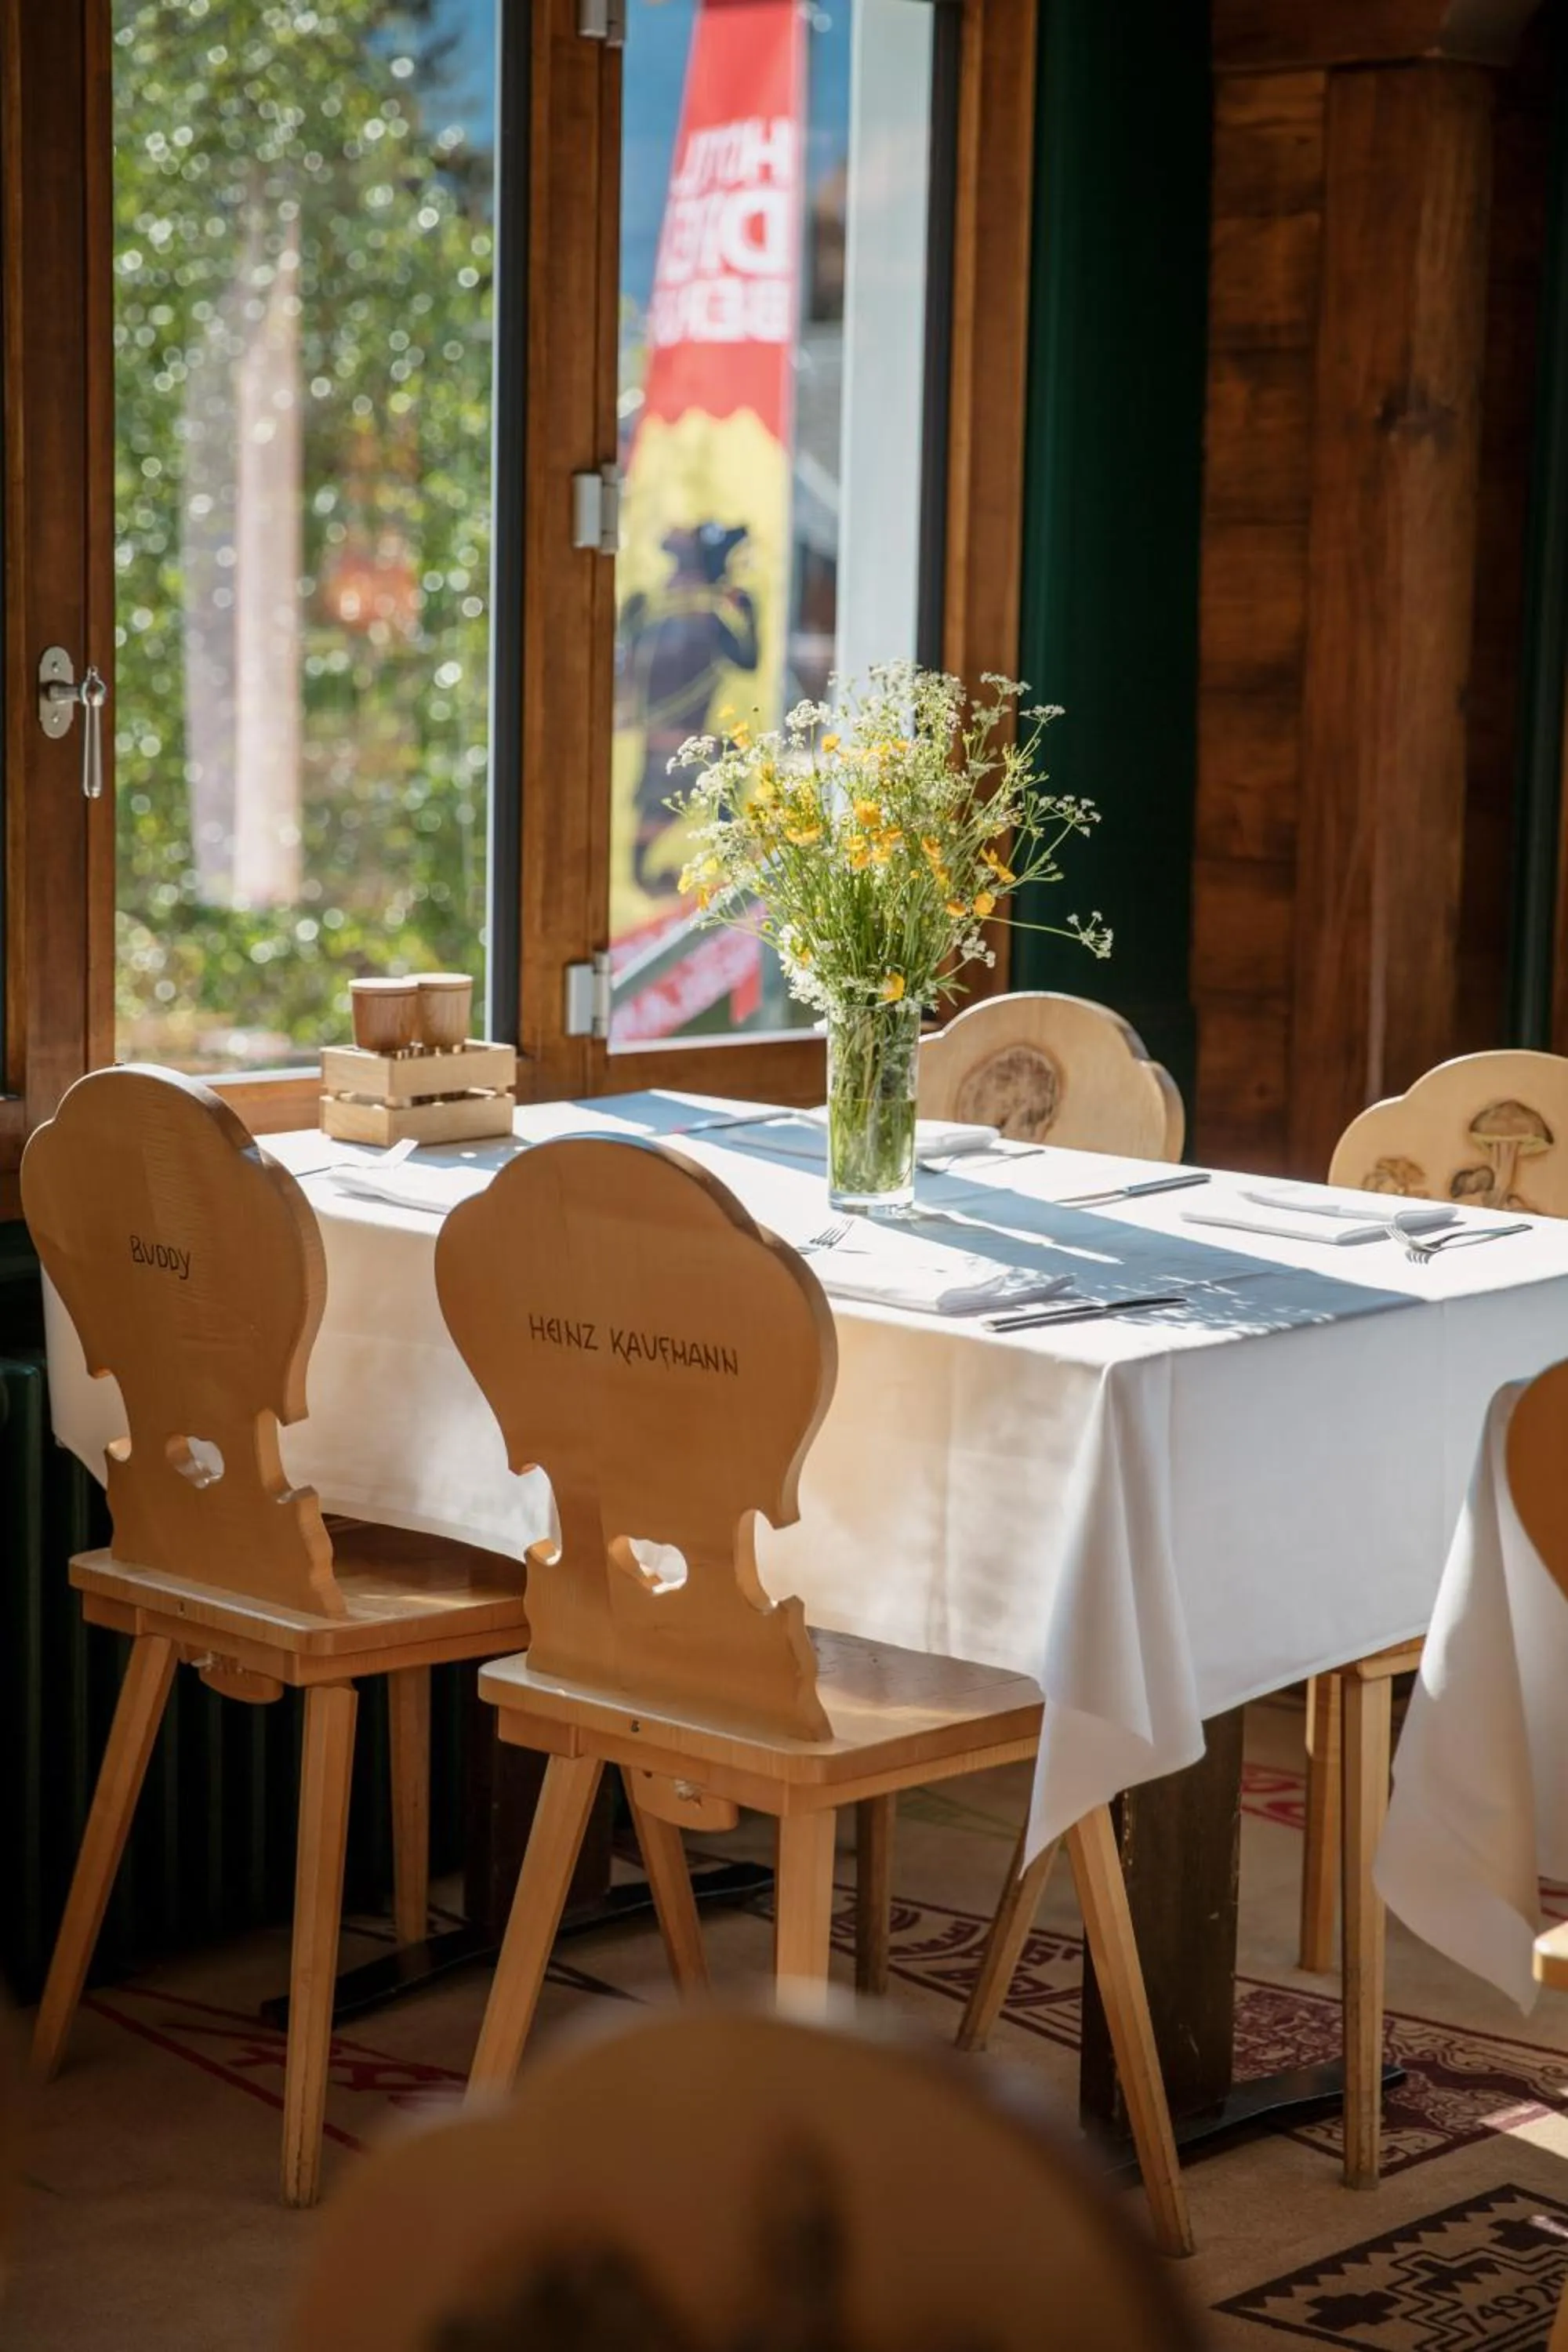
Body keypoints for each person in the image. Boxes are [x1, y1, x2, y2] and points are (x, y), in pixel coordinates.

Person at [619, 521, 760, 895]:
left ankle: (727, 867)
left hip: (670, 744)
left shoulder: (656, 611)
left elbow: (747, 661)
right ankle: (727, 866)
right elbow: (748, 659)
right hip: (676, 743)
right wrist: (749, 614)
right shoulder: (694, 616)